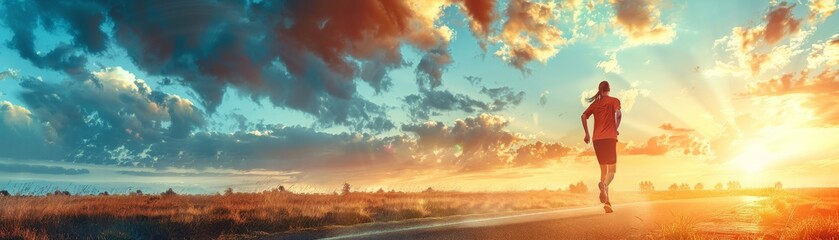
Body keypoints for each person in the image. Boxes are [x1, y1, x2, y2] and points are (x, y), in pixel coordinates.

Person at [581, 81, 622, 213]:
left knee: (603, 172)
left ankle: (607, 204)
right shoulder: (614, 101)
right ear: (609, 89)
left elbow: (583, 116)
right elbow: (619, 114)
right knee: (612, 171)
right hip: (610, 138)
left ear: (600, 90)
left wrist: (586, 134)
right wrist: (616, 128)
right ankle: (604, 186)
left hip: (597, 140)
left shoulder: (595, 104)